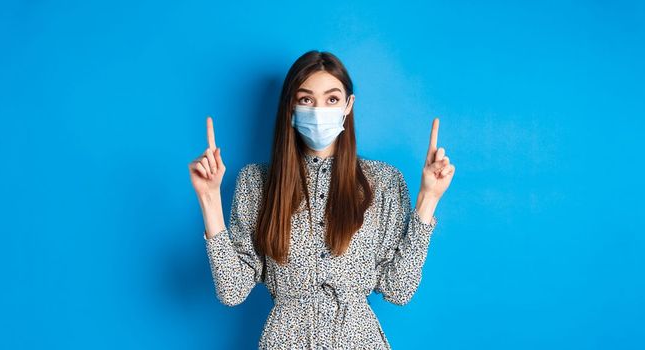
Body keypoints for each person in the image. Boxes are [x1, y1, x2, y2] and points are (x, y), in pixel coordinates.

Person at [188, 50, 455, 349]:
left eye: (331, 99)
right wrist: (210, 198)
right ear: (290, 106)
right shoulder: (256, 182)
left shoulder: (383, 182)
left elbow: (399, 289)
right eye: (306, 99)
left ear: (348, 104)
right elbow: (232, 290)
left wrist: (428, 198)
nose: (318, 110)